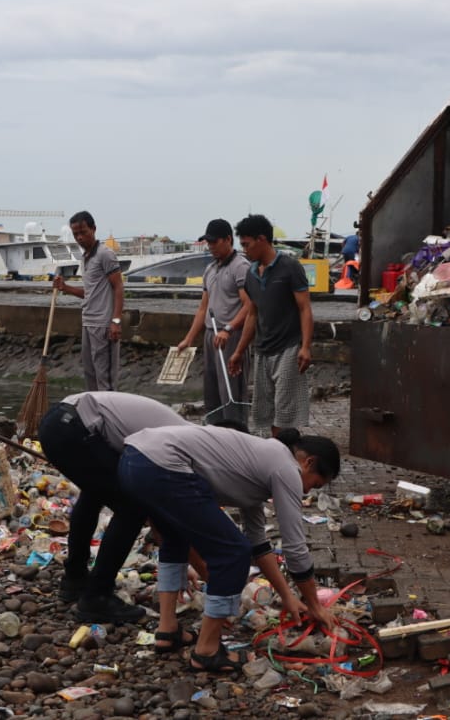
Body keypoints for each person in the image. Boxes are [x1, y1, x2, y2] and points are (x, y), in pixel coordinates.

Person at [118, 425, 339, 672]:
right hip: (161, 464)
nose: (307, 491)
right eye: (314, 484)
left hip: (133, 460)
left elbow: (258, 543)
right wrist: (314, 605)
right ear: (309, 462)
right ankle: (207, 651)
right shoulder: (286, 468)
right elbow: (295, 546)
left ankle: (167, 630)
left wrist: (287, 596)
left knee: (175, 536)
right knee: (232, 553)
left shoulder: (262, 464)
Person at [38, 391, 185, 623]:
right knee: (132, 507)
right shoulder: (183, 446)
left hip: (56, 422)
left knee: (94, 492)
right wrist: (186, 566)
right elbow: (159, 508)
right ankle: (97, 597)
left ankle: (75, 578)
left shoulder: (182, 432)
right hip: (73, 428)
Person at [235, 214, 313, 435]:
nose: (245, 250)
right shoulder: (251, 274)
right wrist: (239, 351)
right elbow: (252, 314)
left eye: (247, 244)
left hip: (288, 347)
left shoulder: (290, 267)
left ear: (261, 239)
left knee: (285, 411)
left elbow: (305, 308)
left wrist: (305, 347)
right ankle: (272, 449)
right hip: (262, 349)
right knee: (264, 410)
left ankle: (284, 450)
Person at [176, 219, 254, 418]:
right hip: (211, 335)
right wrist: (188, 339)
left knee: (232, 393)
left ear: (228, 239)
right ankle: (214, 432)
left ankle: (236, 432)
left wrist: (228, 328)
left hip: (232, 336)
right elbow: (203, 308)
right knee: (212, 395)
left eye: (214, 241)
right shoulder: (210, 269)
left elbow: (249, 305)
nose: (210, 246)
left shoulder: (241, 267)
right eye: (208, 242)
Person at [53, 211, 124, 390]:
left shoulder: (105, 254)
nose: (79, 237)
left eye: (83, 232)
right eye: (75, 234)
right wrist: (65, 287)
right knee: (90, 376)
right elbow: (90, 293)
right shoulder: (85, 257)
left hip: (103, 325)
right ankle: (94, 408)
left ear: (93, 229)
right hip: (88, 322)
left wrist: (116, 321)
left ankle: (108, 409)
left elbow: (118, 287)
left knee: (105, 380)